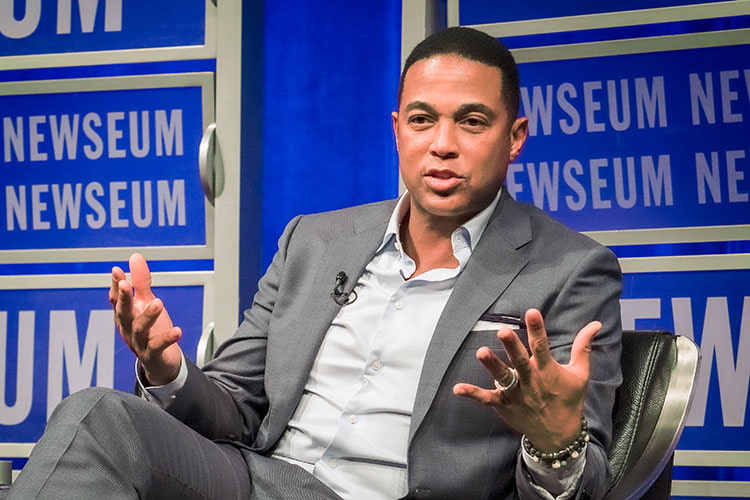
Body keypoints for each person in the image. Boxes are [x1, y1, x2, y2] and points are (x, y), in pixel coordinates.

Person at [8, 27, 622, 499]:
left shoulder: (569, 269)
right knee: (98, 416)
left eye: (472, 121)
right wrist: (167, 370)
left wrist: (555, 440)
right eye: (421, 119)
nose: (442, 144)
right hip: (261, 480)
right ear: (397, 129)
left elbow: (584, 476)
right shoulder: (315, 239)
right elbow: (237, 406)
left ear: (515, 137)